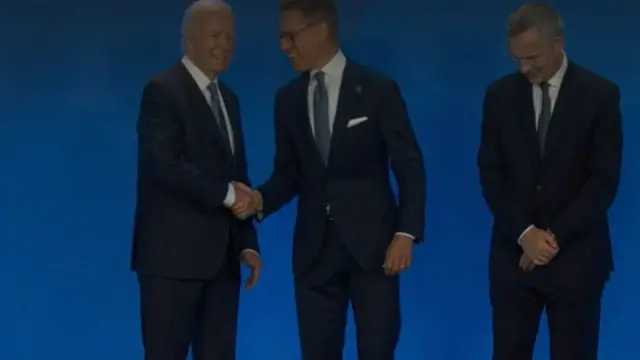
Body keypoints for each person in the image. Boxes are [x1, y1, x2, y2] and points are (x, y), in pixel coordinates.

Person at [231, 0, 426, 359]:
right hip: (314, 254)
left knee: (378, 351)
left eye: (290, 36)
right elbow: (289, 173)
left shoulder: (377, 89)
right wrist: (259, 199)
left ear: (320, 31)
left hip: (374, 252)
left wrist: (405, 233)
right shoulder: (286, 100)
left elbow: (410, 167)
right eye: (281, 37)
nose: (283, 46)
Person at [477, 3, 622, 359]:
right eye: (517, 60)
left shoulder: (600, 96)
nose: (524, 68)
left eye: (532, 58)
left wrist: (550, 239)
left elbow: (603, 182)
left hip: (577, 262)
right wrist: (526, 234)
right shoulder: (499, 97)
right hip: (514, 260)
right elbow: (491, 173)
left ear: (558, 43)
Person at [130, 1, 261, 359]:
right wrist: (226, 194)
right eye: (216, 35)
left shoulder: (229, 99)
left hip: (222, 265)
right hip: (171, 264)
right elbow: (164, 165)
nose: (225, 45)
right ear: (189, 39)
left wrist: (247, 243)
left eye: (231, 37)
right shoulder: (162, 91)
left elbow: (240, 179)